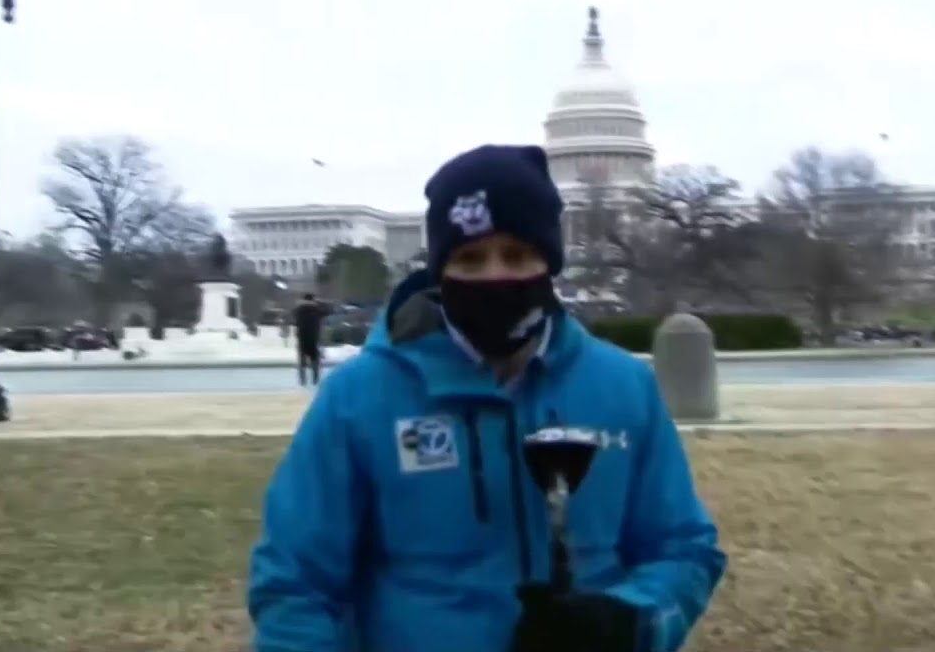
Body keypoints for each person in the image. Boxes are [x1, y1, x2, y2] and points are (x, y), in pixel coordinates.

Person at [248, 144, 726, 652]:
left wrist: (629, 621)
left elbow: (685, 549)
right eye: (470, 258)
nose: (496, 276)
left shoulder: (624, 388)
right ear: (439, 268)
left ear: (549, 260)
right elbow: (295, 583)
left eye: (517, 254)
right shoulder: (358, 398)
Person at [292, 292, 325, 386]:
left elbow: (294, 316)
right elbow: (329, 311)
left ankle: (303, 381)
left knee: (302, 362)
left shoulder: (298, 310)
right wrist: (319, 303)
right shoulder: (317, 309)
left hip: (302, 338)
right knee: (315, 361)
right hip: (313, 338)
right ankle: (315, 380)